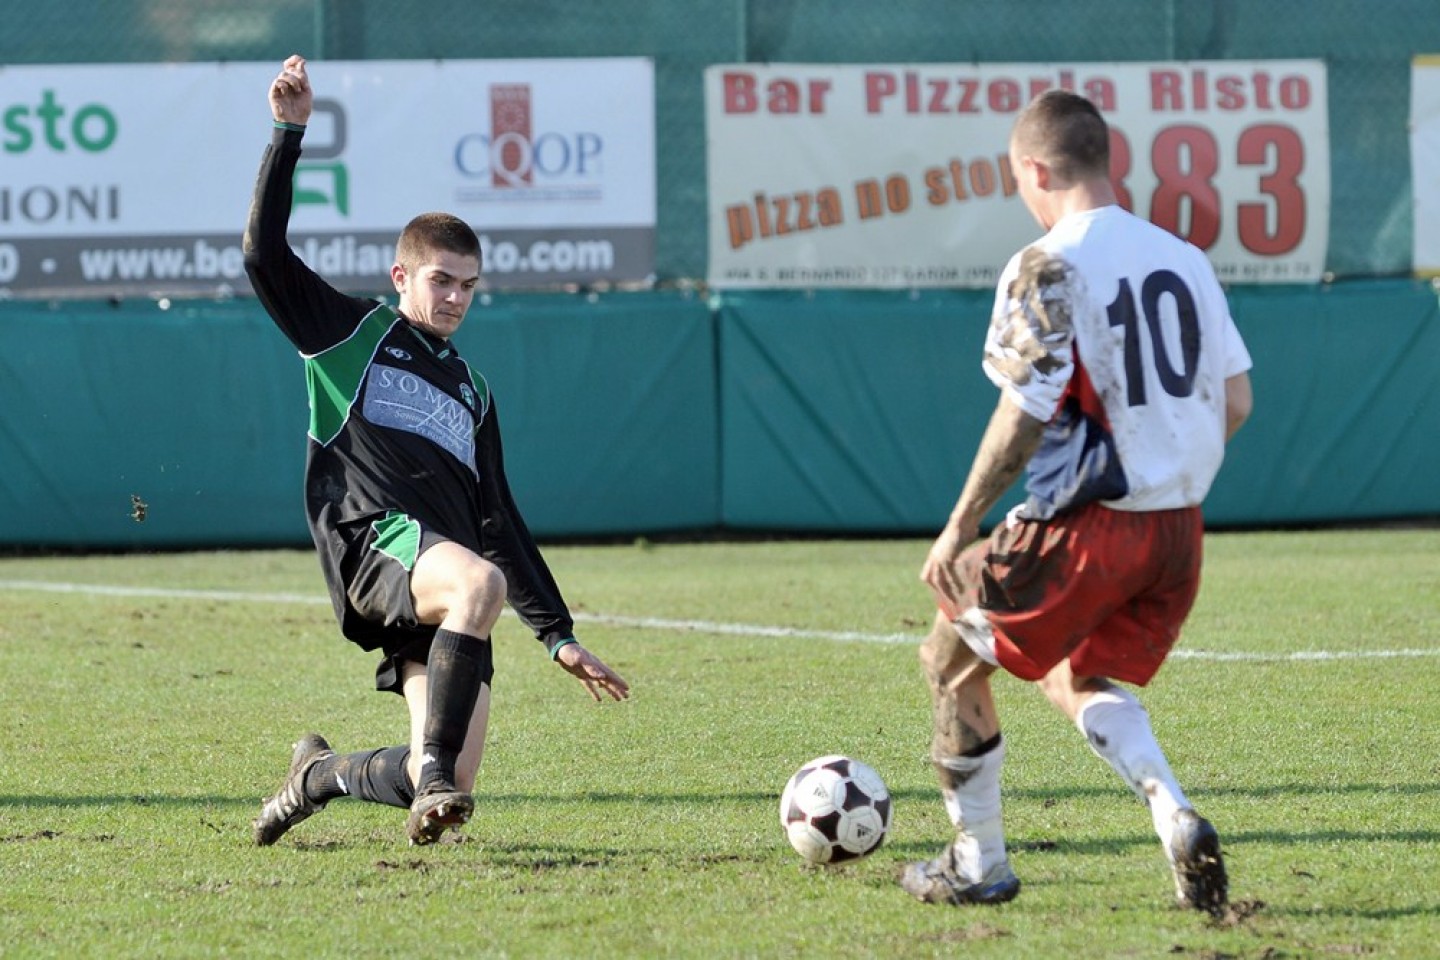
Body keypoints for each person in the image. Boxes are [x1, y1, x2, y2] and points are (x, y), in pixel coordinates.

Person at [243, 55, 630, 847]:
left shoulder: (473, 389)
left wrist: (557, 634)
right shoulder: (351, 333)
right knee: (477, 584)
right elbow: (261, 253)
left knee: (437, 777)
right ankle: (432, 779)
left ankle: (318, 775)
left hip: (448, 585)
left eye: (469, 285)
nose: (455, 297)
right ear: (402, 276)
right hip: (377, 544)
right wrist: (288, 133)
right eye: (442, 279)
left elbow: (501, 518)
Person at [902, 90, 1252, 917]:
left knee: (947, 662)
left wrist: (961, 526)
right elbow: (1234, 403)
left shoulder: (1046, 262)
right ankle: (1173, 813)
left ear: (1033, 168)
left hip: (1089, 526)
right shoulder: (1184, 258)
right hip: (1178, 531)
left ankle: (977, 860)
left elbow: (1024, 408)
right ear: (1106, 159)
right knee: (1075, 672)